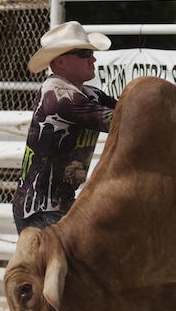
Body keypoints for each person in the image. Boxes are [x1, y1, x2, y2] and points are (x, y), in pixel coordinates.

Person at [13, 21, 116, 234]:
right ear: (60, 62)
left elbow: (127, 108)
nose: (93, 58)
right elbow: (122, 119)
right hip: (41, 210)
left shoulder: (87, 93)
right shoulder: (61, 97)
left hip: (55, 205)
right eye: (84, 52)